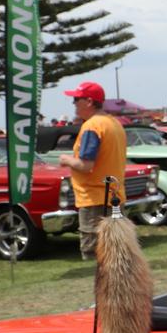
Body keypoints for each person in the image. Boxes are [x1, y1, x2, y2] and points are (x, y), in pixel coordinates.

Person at [57, 82, 127, 261]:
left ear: (88, 101)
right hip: (115, 196)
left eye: (76, 99)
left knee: (94, 255)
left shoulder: (92, 126)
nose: (73, 104)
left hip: (94, 199)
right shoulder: (114, 124)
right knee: (117, 254)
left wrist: (66, 160)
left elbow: (86, 165)